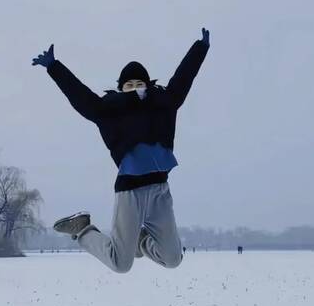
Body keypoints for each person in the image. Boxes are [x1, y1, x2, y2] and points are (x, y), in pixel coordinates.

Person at [32, 28, 210, 273]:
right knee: (120, 263)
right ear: (120, 88)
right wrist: (55, 67)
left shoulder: (164, 104)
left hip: (160, 189)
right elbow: (80, 96)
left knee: (173, 259)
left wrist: (200, 48)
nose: (135, 87)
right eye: (129, 84)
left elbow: (183, 78)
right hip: (130, 191)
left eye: (140, 83)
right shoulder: (108, 110)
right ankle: (83, 229)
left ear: (148, 85)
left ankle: (141, 240)